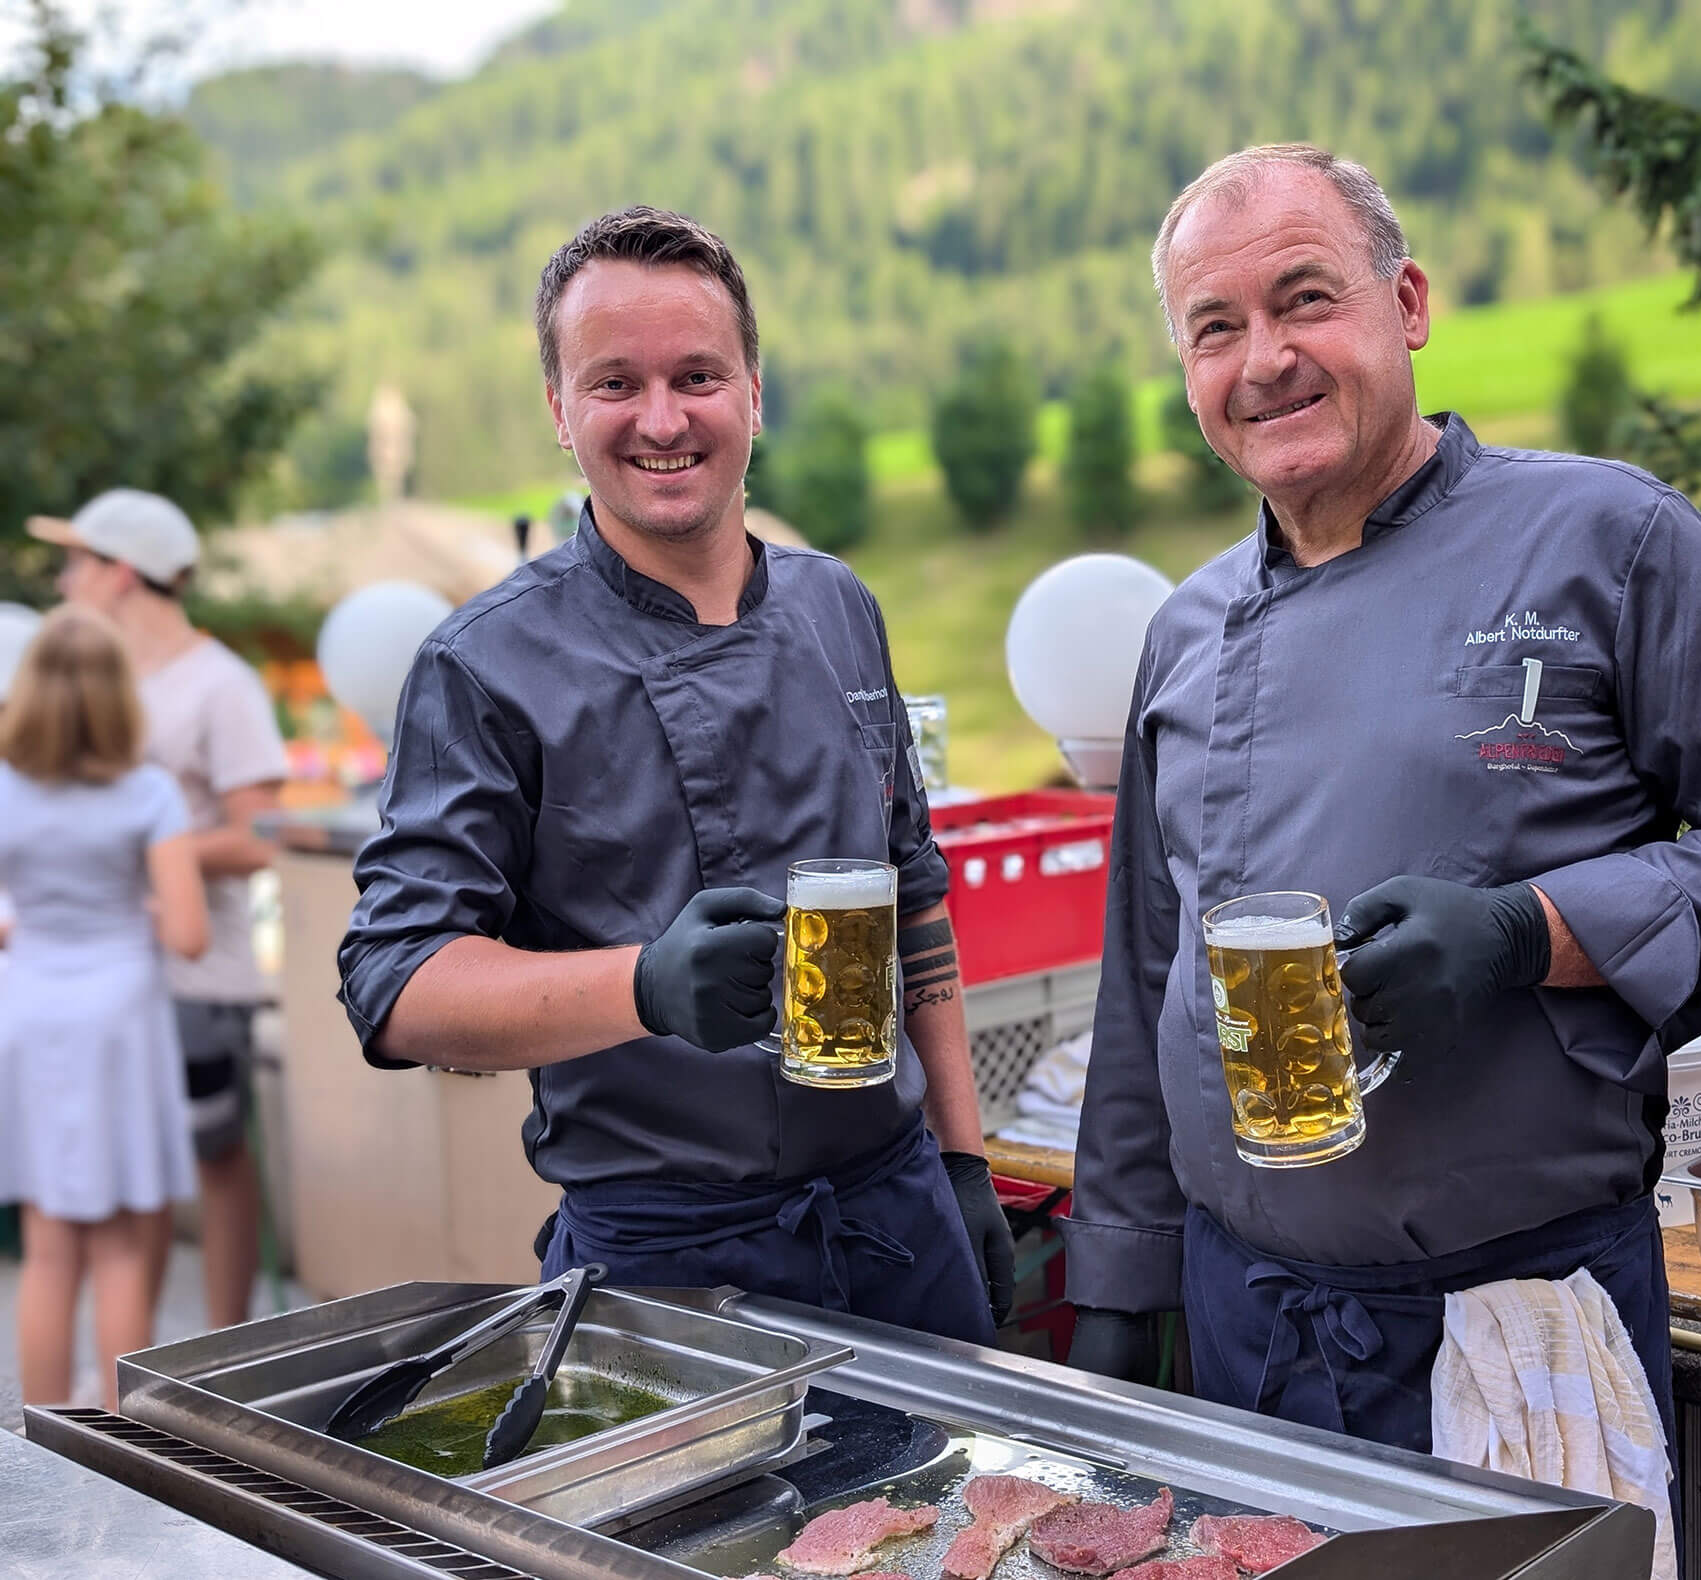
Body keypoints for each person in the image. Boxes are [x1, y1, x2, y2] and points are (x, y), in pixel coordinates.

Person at [1062, 144, 1701, 1516]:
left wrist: (1529, 933)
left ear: (1410, 302)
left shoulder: (1606, 538)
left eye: (1304, 299)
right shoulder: (1186, 630)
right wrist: (1116, 1286)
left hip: (1517, 1324)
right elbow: (1145, 972)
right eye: (1216, 329)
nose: (1263, 358)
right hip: (1240, 1329)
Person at [337, 207, 1014, 1340]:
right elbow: (395, 985)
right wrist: (643, 985)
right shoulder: (484, 663)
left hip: (901, 1219)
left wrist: (962, 1157)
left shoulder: (839, 604)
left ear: (755, 389)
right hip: (667, 1265)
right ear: (559, 408)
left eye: (698, 375)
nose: (662, 419)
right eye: (614, 383)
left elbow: (916, 893)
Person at [33, 491, 290, 1330]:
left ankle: (213, 1352)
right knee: (122, 1175)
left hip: (198, 972)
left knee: (217, 1159)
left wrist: (144, 860)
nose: (62, 580)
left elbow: (260, 838)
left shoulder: (221, 686)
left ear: (118, 574)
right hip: (113, 976)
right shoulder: (85, 680)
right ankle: (126, 1381)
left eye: (74, 563)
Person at [0, 606, 209, 1408]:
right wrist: (131, 912)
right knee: (122, 1248)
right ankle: (120, 1446)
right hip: (117, 1018)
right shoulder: (146, 794)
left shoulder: (7, 788)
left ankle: (44, 1435)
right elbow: (188, 933)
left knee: (48, 1251)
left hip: (31, 1012)